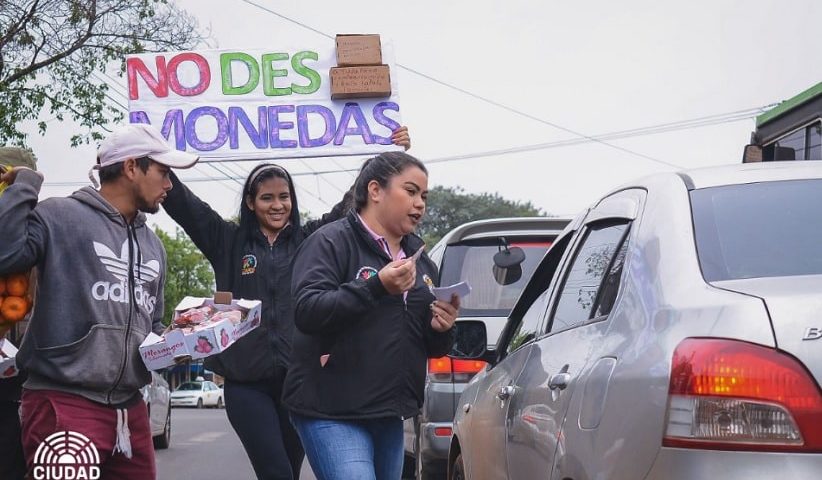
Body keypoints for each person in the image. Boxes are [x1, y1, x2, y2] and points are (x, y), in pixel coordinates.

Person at [161, 127, 411, 480]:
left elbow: (353, 203)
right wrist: (157, 158)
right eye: (267, 198)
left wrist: (386, 157)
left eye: (284, 197)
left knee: (289, 472)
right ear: (251, 203)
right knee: (276, 472)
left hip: (300, 384)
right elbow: (185, 207)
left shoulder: (313, 240)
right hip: (246, 384)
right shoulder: (228, 242)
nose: (277, 205)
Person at [0, 124, 199, 480]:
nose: (169, 184)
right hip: (62, 403)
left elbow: (151, 325)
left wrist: (177, 345)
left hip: (130, 412)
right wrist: (25, 185)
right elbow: (7, 254)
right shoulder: (59, 216)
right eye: (164, 172)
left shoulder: (153, 245)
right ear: (131, 167)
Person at [283, 151, 461, 480]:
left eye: (424, 196)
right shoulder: (330, 241)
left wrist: (442, 328)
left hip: (389, 413)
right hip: (330, 410)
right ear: (375, 190)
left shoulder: (422, 261)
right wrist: (376, 286)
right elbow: (307, 310)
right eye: (410, 191)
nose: (420, 204)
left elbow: (428, 345)